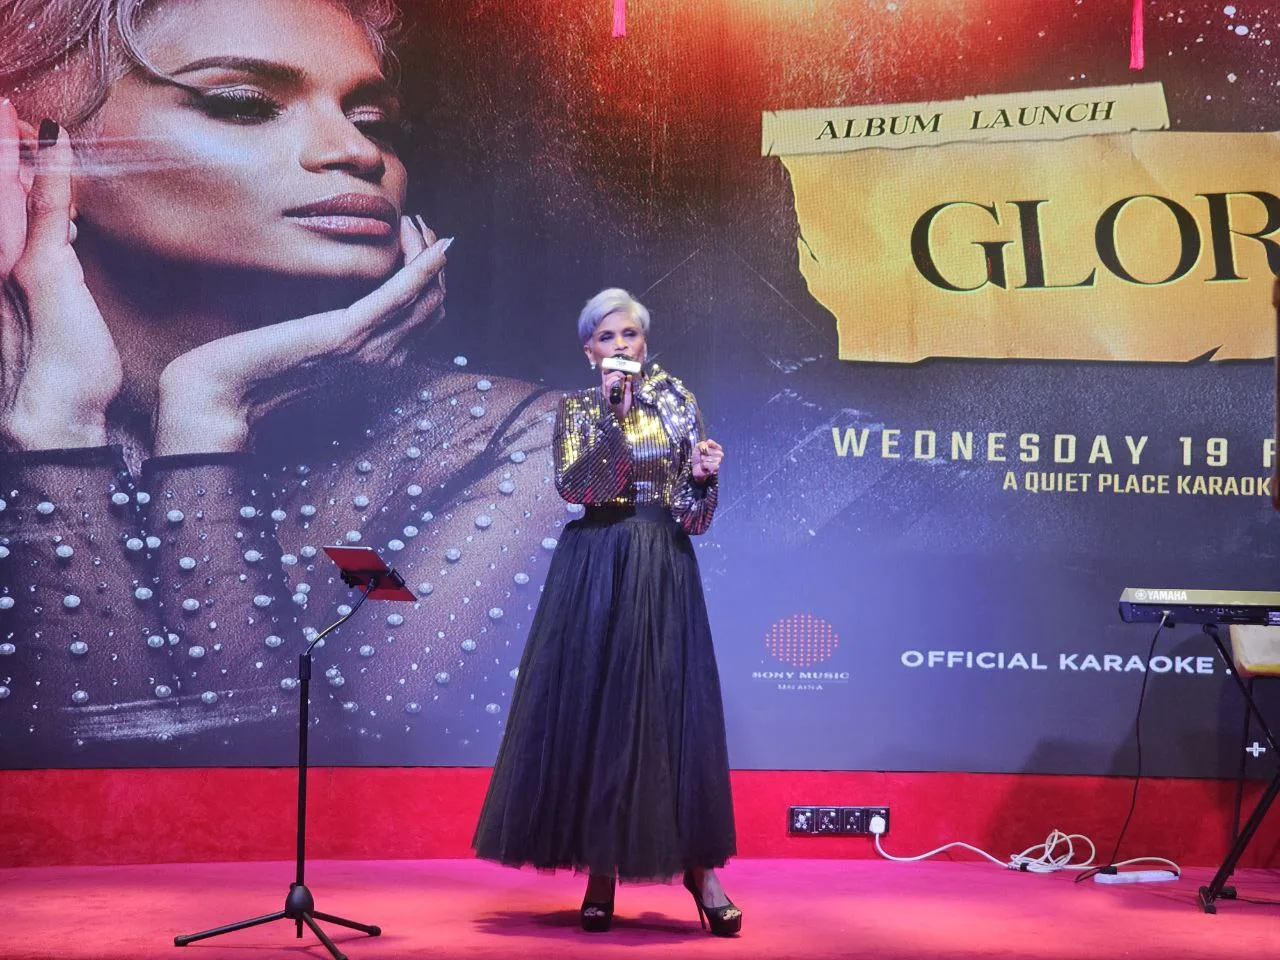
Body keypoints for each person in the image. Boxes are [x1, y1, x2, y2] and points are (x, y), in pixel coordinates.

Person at [0, 0, 562, 766]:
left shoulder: (522, 444)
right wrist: (58, 430)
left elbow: (306, 799)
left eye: (373, 121)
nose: (356, 152)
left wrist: (207, 421)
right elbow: (81, 811)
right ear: (34, 157)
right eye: (244, 105)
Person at [472, 287, 742, 936]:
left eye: (630, 335)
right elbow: (578, 486)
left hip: (662, 561)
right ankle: (600, 869)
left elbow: (693, 518)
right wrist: (614, 418)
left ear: (645, 343)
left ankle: (701, 872)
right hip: (597, 561)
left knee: (668, 711)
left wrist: (703, 478)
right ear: (588, 352)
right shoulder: (578, 409)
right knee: (598, 711)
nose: (620, 346)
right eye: (606, 337)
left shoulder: (678, 401)